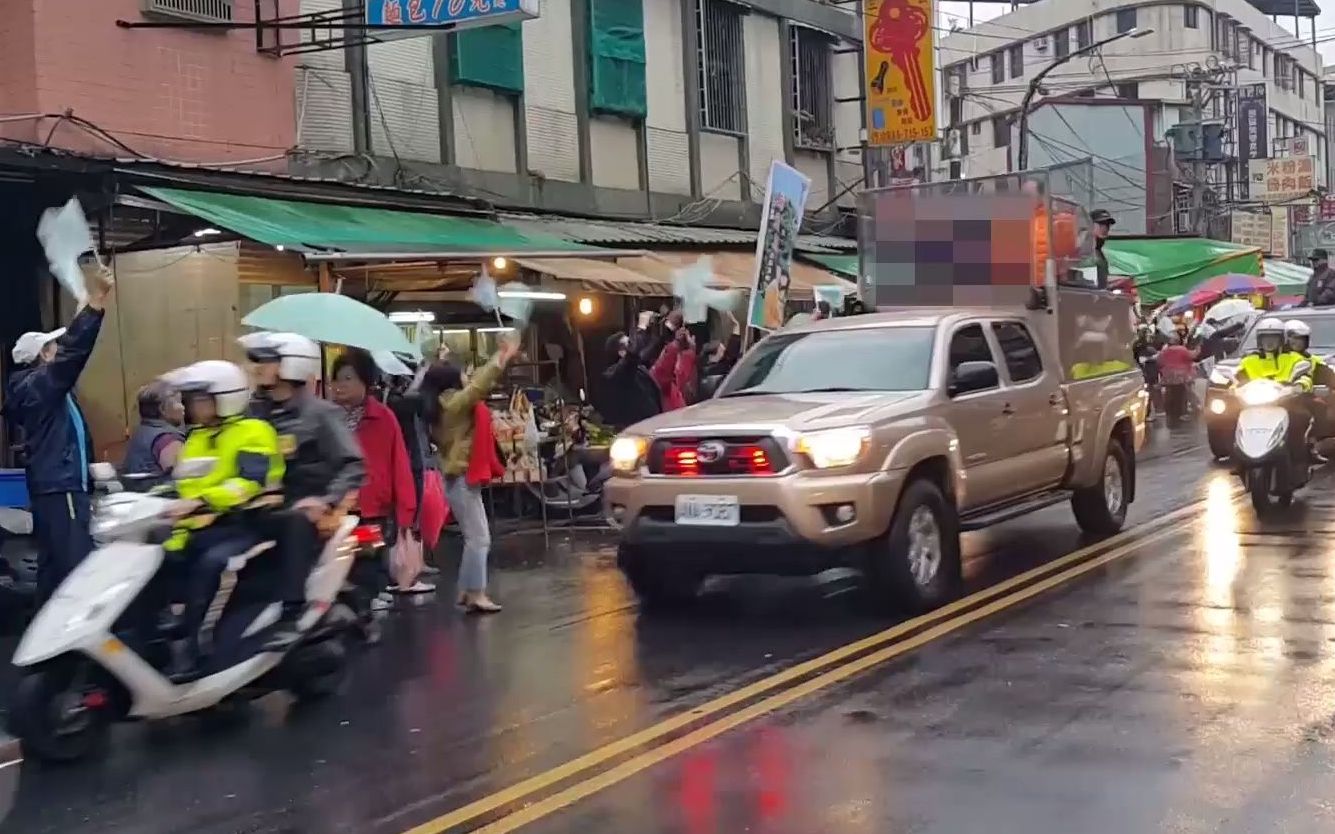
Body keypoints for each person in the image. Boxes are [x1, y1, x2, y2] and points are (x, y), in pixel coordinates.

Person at [164, 360, 285, 682]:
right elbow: (183, 481)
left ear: (225, 397)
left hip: (242, 524)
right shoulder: (199, 436)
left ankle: (197, 649)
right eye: (191, 399)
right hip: (198, 527)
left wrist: (203, 501)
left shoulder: (253, 431)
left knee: (209, 565)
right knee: (153, 563)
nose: (191, 406)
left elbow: (250, 482)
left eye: (199, 399)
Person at [244, 332, 366, 646]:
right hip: (260, 507)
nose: (257, 368)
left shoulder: (321, 414)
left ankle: (292, 611)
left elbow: (353, 464)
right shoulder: (254, 413)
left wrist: (325, 500)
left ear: (292, 366)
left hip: (303, 512)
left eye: (266, 362)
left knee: (296, 522)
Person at [6, 266, 112, 602]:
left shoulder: (45, 389)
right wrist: (96, 302)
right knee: (76, 568)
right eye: (51, 347)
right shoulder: (39, 385)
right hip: (60, 486)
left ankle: (50, 649)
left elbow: (67, 354)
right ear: (41, 357)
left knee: (54, 570)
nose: (56, 350)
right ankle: (81, 644)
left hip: (61, 485)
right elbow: (73, 353)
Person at [422, 338, 520, 614]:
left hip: (456, 477)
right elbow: (479, 385)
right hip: (462, 476)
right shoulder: (453, 404)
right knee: (479, 538)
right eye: (462, 373)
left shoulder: (441, 404)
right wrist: (501, 358)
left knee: (472, 536)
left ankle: (468, 590)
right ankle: (476, 592)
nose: (467, 376)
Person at [330, 349, 427, 594]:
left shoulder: (383, 418)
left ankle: (366, 613)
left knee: (366, 567)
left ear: (366, 381)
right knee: (336, 571)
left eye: (348, 378)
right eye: (337, 378)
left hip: (371, 511)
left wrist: (406, 513)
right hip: (334, 511)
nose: (340, 385)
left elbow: (400, 465)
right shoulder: (326, 419)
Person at [1236, 317, 1315, 466]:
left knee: (1301, 417)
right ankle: (1239, 459)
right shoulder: (1249, 360)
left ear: (1282, 339)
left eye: (1273, 337)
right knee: (1230, 418)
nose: (1269, 342)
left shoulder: (1294, 359)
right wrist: (1233, 389)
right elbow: (1237, 378)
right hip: (1253, 405)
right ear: (1259, 340)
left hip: (1286, 402)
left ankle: (1300, 460)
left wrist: (1298, 386)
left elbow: (1305, 376)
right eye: (1265, 338)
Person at [121, 379, 187, 487]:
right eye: (179, 402)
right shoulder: (168, 439)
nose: (183, 408)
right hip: (161, 499)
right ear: (162, 409)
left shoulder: (140, 432)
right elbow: (182, 477)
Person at [1285, 319, 1331, 464]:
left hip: (1300, 397)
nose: (1298, 343)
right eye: (1294, 339)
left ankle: (1310, 445)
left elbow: (1327, 374)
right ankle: (1241, 457)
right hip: (1272, 397)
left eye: (1302, 339)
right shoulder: (1275, 356)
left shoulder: (1312, 360)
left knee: (1319, 406)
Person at [596, 331, 663, 431]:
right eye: (629, 343)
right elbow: (632, 356)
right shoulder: (615, 373)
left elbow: (650, 349)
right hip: (637, 429)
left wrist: (667, 328)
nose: (633, 345)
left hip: (651, 424)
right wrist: (641, 329)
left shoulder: (637, 368)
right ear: (621, 352)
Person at [650, 326, 698, 411]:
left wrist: (690, 350)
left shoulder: (678, 383)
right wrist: (676, 344)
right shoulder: (659, 380)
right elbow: (663, 370)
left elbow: (684, 378)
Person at [1090, 208, 1115, 287]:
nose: (1105, 228)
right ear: (1090, 225)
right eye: (1101, 224)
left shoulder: (1100, 251)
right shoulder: (1083, 250)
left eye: (1107, 225)